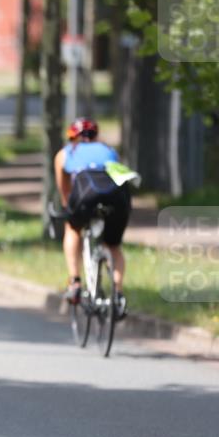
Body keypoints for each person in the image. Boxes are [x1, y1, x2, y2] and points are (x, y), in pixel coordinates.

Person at [54, 117, 131, 317]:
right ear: (96, 135)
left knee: (72, 228)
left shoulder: (65, 153)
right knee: (113, 245)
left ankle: (75, 281)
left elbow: (64, 191)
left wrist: (67, 209)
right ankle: (118, 294)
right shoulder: (109, 150)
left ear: (72, 136)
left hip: (85, 196)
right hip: (117, 199)